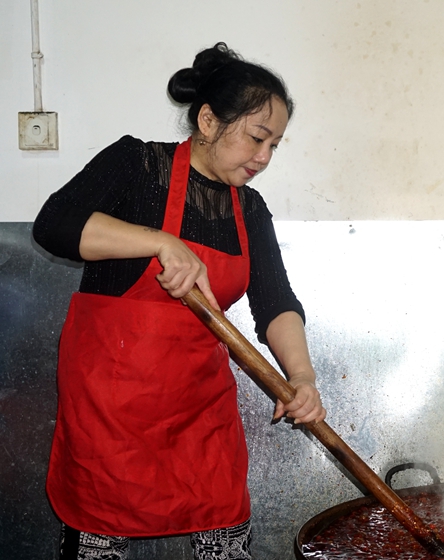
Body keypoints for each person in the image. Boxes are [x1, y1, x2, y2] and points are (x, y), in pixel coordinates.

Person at [33, 42, 327, 560]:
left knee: (225, 538)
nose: (264, 157)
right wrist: (160, 241)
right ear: (209, 121)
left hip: (200, 418)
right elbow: (54, 224)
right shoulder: (137, 164)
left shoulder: (249, 208)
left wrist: (300, 377)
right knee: (99, 538)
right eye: (257, 137)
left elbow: (275, 300)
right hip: (111, 416)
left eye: (275, 145)